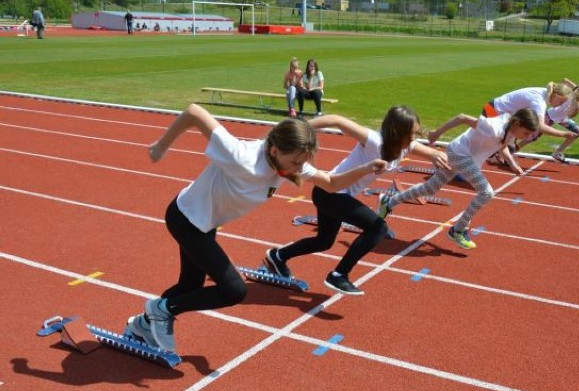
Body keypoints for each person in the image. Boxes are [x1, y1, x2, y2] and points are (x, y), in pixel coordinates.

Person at [125, 104, 388, 353]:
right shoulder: (242, 156)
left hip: (204, 224)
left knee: (189, 287)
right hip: (185, 219)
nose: (299, 168)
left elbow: (330, 182)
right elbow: (194, 112)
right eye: (296, 162)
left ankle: (143, 324)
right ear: (275, 151)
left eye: (302, 163)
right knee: (234, 291)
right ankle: (160, 311)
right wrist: (161, 145)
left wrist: (365, 168)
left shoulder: (288, 161)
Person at [264, 107, 449, 295]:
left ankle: (277, 256)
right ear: (396, 132)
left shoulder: (403, 145)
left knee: (324, 242)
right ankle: (339, 275)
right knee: (378, 228)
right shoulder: (374, 140)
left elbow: (416, 147)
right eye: (410, 134)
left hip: (332, 194)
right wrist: (289, 132)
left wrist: (433, 154)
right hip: (330, 192)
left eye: (415, 133)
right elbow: (336, 120)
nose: (413, 138)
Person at [377, 108, 539, 250]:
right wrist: (437, 133)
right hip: (459, 154)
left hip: (462, 155)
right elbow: (462, 117)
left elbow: (502, 146)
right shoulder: (493, 128)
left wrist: (512, 163)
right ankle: (458, 230)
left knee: (430, 189)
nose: (525, 137)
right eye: (526, 133)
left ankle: (389, 201)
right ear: (517, 124)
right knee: (486, 192)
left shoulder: (510, 131)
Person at [481, 82, 575, 164]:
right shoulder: (539, 102)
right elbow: (540, 127)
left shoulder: (543, 92)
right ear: (555, 96)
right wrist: (563, 134)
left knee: (509, 140)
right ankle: (487, 157)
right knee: (494, 142)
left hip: (497, 111)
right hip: (493, 112)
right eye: (561, 101)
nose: (561, 104)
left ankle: (496, 155)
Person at [540, 80, 579, 163]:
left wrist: (567, 84)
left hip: (562, 118)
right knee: (533, 134)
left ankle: (558, 152)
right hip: (552, 115)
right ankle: (518, 145)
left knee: (578, 132)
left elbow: (565, 80)